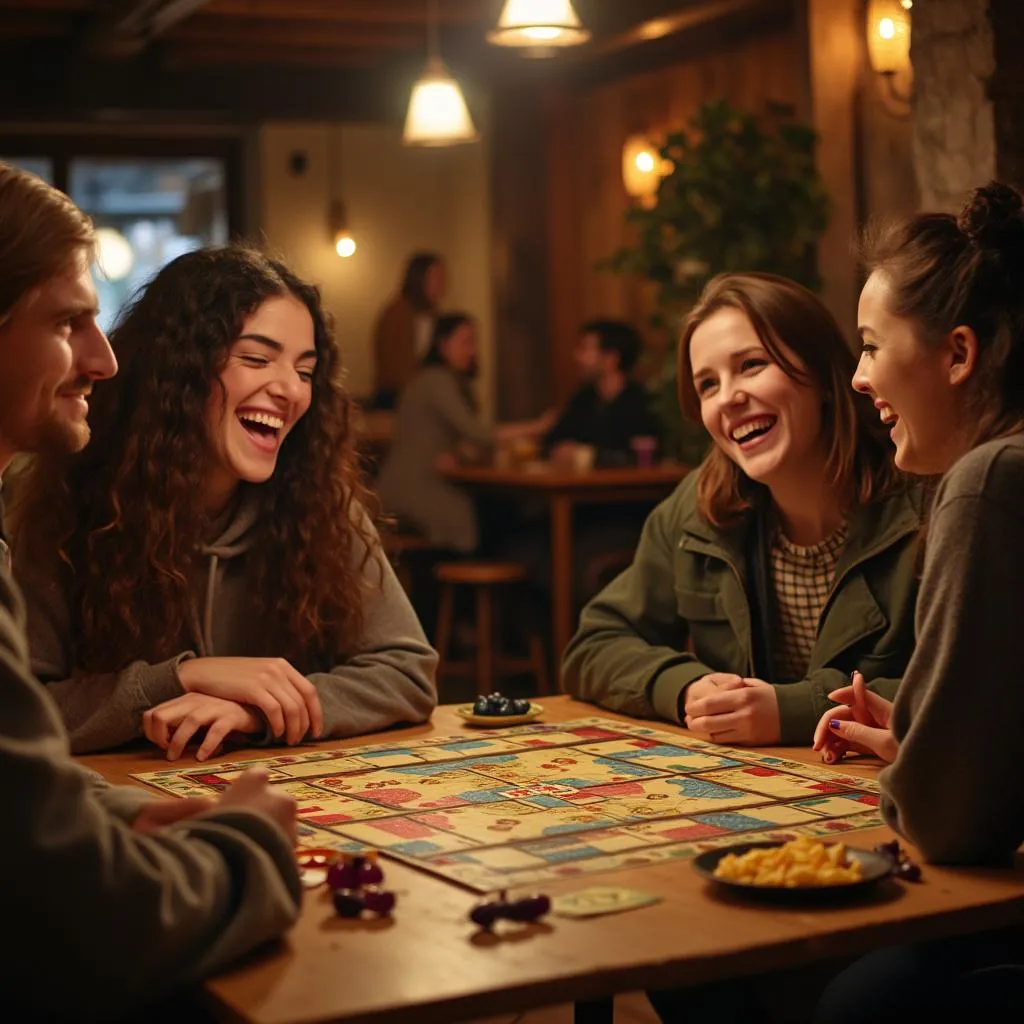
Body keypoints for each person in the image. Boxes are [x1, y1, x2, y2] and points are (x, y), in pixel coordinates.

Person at [0, 161, 301, 1019]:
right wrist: (241, 833)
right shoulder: (52, 511)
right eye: (69, 322)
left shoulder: (312, 496)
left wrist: (116, 812)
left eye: (306, 365)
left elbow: (24, 804)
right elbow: (101, 914)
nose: (103, 358)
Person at [13, 244, 437, 759]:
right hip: (119, 805)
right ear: (178, 371)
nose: (289, 390)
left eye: (305, 372)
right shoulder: (62, 501)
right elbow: (19, 711)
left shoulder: (317, 498)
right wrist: (182, 678)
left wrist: (260, 709)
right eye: (257, 359)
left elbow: (407, 670)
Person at [809, 182, 1024, 1021]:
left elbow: (943, 824)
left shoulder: (990, 480)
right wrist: (926, 730)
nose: (859, 377)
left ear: (959, 354)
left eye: (869, 344)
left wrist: (920, 764)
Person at [562, 272, 924, 746]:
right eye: (707, 385)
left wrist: (792, 710)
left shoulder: (926, 502)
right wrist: (684, 688)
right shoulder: (697, 508)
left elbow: (980, 682)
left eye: (751, 365)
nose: (728, 398)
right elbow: (592, 646)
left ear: (822, 375)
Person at [375, 312, 553, 553]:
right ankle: (476, 584)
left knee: (500, 511)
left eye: (474, 343)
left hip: (398, 488)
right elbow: (477, 433)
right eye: (466, 342)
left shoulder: (437, 380)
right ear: (443, 344)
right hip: (413, 491)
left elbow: (454, 440)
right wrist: (537, 427)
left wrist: (459, 456)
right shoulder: (437, 380)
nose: (472, 350)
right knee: (495, 515)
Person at [544, 319, 661, 468]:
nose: (577, 357)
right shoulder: (583, 399)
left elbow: (645, 457)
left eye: (584, 349)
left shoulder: (642, 403)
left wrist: (587, 456)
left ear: (610, 359)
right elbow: (551, 441)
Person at [371, 251, 445, 409]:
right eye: (436, 277)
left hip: (422, 396)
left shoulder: (434, 316)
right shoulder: (396, 314)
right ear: (420, 279)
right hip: (396, 397)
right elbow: (394, 365)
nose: (442, 284)